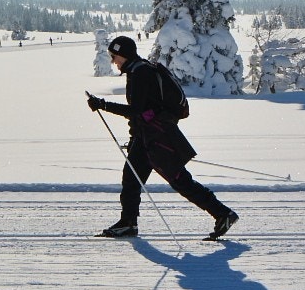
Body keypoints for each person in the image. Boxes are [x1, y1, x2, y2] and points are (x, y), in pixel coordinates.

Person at [85, 35, 238, 241]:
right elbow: (145, 110)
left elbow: (137, 110)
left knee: (180, 180)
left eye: (115, 56)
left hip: (157, 137)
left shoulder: (141, 73)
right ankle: (128, 223)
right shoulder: (138, 70)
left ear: (124, 54)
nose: (113, 61)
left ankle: (223, 214)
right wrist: (135, 135)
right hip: (147, 136)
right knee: (131, 179)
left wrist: (104, 105)